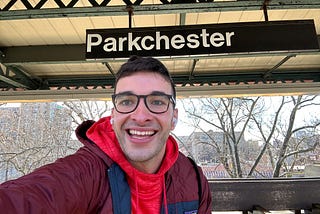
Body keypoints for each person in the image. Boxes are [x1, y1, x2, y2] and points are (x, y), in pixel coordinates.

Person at [0, 56, 212, 213]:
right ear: (113, 115)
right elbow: (27, 199)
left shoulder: (193, 179)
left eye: (157, 102)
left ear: (174, 117)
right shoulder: (85, 173)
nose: (140, 116)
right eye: (127, 102)